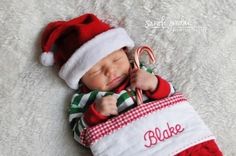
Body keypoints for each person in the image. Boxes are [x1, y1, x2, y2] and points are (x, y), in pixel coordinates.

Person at [40, 13, 222, 155]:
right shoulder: (84, 99)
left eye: (117, 60)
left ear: (125, 54)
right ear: (81, 79)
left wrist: (154, 84)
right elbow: (81, 136)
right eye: (95, 71)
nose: (110, 71)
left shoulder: (139, 72)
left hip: (181, 139)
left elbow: (171, 94)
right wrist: (95, 114)